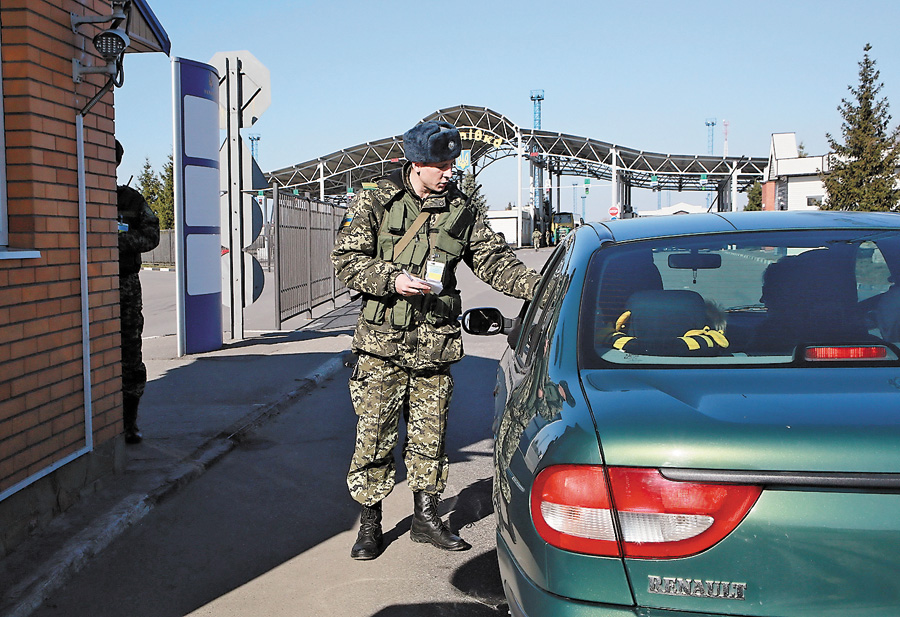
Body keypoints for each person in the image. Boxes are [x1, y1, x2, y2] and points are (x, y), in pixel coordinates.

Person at [331, 120, 541, 560]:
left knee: (431, 435)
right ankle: (370, 524)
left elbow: (493, 260)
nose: (449, 172)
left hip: (433, 345)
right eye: (441, 166)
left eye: (452, 164)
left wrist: (541, 287)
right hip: (381, 345)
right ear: (417, 164)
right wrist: (391, 279)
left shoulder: (460, 209)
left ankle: (426, 520)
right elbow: (347, 261)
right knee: (374, 438)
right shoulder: (374, 200)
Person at [115, 140, 160, 444]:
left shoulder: (130, 200)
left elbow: (152, 234)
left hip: (125, 285)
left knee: (130, 353)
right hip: (87, 287)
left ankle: (129, 423)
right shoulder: (83, 194)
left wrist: (120, 242)